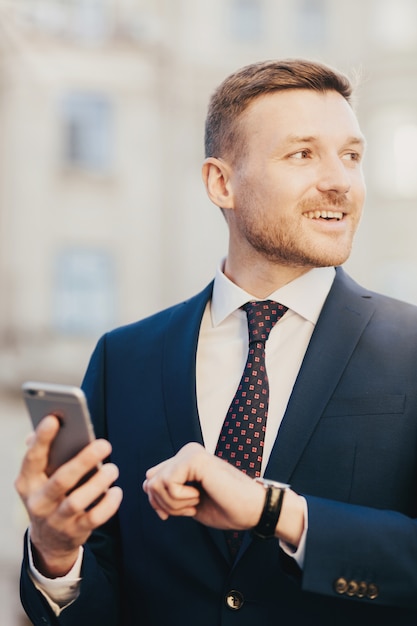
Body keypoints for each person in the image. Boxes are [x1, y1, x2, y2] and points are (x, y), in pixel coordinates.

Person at [15, 59, 417, 626]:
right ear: (220, 182)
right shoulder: (124, 359)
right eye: (303, 153)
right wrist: (56, 553)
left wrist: (276, 510)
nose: (340, 180)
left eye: (351, 155)